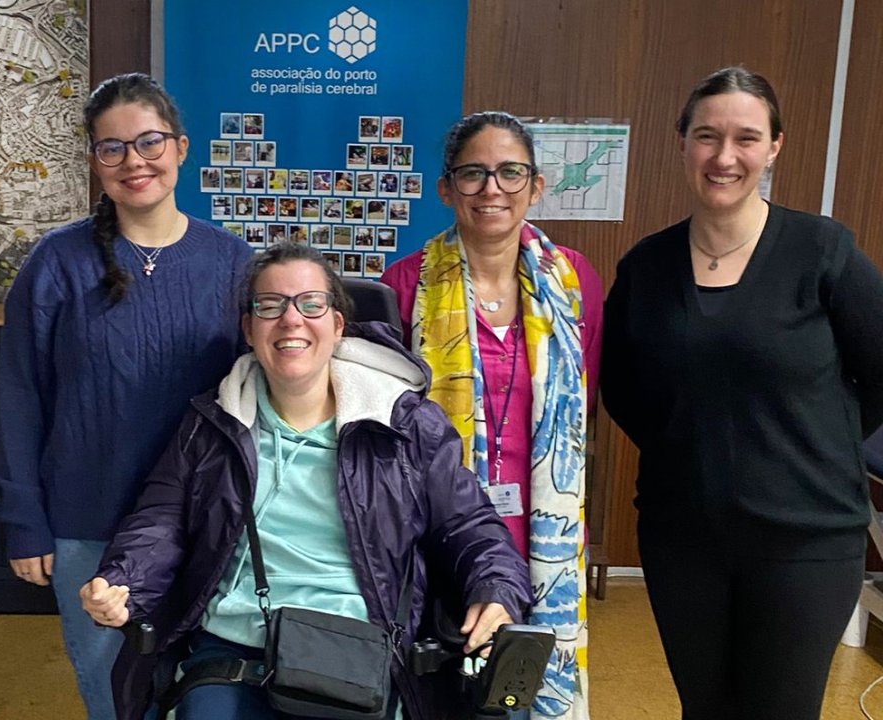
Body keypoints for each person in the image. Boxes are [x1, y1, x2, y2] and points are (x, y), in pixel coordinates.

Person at [80, 243, 532, 720]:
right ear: (248, 329)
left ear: (337, 325)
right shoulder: (210, 424)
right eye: (269, 305)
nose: (291, 319)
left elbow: (470, 526)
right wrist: (123, 580)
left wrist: (495, 589)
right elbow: (162, 521)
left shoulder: (407, 425)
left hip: (360, 647)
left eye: (311, 303)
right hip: (235, 648)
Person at [601, 66, 883, 720]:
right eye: (707, 136)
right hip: (683, 541)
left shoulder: (822, 250)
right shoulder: (647, 267)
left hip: (805, 543)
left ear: (774, 146)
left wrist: (816, 445)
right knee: (706, 710)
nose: (724, 157)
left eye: (746, 138)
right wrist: (691, 448)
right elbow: (624, 387)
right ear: (682, 144)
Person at [0, 72, 254, 720]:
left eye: (149, 142)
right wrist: (24, 519)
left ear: (182, 147)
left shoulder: (233, 263)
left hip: (203, 523)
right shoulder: (56, 263)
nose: (133, 161)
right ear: (93, 161)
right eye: (112, 148)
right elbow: (20, 394)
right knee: (115, 698)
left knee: (204, 696)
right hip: (87, 521)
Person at [380, 111, 603, 719]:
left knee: (526, 688)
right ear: (446, 188)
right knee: (449, 693)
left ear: (537, 185)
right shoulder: (405, 285)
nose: (492, 189)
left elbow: (580, 405)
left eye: (510, 173)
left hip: (543, 532)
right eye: (473, 174)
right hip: (440, 533)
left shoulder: (576, 281)